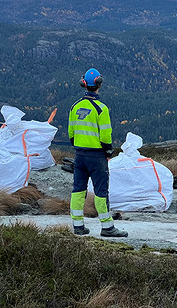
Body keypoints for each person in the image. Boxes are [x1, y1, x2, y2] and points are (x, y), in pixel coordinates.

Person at [68, 68, 128, 237]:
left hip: (79, 155)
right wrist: (108, 151)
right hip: (97, 156)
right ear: (99, 84)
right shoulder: (101, 109)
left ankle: (78, 226)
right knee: (101, 191)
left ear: (84, 84)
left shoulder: (75, 107)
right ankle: (107, 227)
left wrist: (80, 146)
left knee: (78, 190)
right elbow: (105, 134)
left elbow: (71, 134)